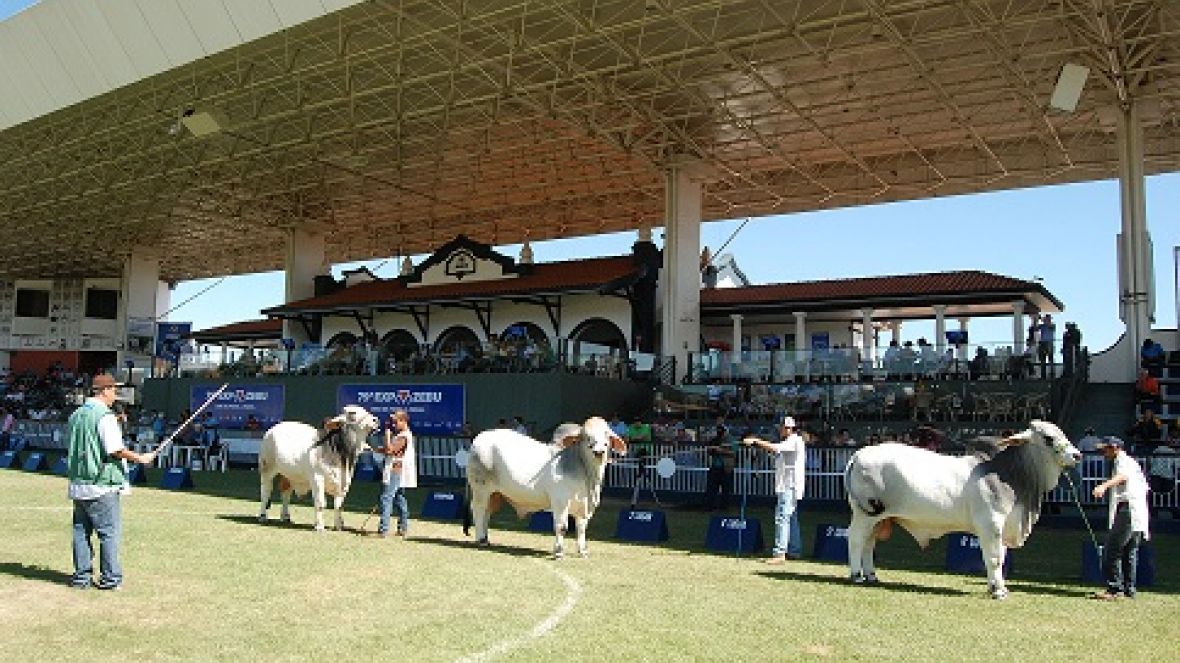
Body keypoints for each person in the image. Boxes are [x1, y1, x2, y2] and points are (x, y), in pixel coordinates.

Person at [66, 373, 157, 590]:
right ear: (104, 390)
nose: (116, 395)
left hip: (79, 481)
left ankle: (81, 578)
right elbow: (115, 449)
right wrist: (140, 458)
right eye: (114, 390)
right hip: (101, 482)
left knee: (80, 532)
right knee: (108, 533)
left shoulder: (77, 414)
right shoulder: (104, 416)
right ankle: (110, 579)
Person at [1090, 437, 1150, 600]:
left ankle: (1115, 588)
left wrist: (1104, 486)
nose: (1103, 453)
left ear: (1115, 448)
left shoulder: (1122, 461)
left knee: (1112, 549)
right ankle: (1129, 589)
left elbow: (1123, 477)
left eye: (1105, 449)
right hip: (1137, 510)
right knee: (1130, 551)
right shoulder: (1132, 462)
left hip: (1128, 508)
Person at [742, 415, 805, 563]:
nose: (783, 430)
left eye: (785, 427)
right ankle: (794, 550)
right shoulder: (791, 441)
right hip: (788, 484)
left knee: (782, 517)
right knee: (791, 518)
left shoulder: (794, 441)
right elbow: (776, 452)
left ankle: (779, 553)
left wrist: (756, 441)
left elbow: (775, 448)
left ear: (790, 429)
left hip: (789, 485)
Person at [377, 410, 417, 538]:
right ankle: (403, 527)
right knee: (399, 499)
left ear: (403, 421)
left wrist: (387, 434)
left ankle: (383, 529)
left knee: (386, 498)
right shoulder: (402, 435)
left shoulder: (403, 436)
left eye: (395, 422)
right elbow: (389, 449)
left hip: (396, 469)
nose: (393, 425)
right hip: (398, 469)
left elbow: (390, 450)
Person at [704, 421, 736, 510]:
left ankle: (724, 507)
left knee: (726, 489)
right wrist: (712, 449)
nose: (720, 432)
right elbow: (709, 450)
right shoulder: (714, 440)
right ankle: (709, 505)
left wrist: (721, 451)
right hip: (715, 466)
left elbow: (734, 452)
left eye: (722, 431)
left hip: (726, 468)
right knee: (711, 488)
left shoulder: (731, 440)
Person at [1035, 314, 1056, 379]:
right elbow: (1036, 329)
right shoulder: (1042, 326)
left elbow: (1050, 326)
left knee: (1050, 359)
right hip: (1043, 343)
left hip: (1049, 343)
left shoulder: (1052, 325)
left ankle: (1052, 374)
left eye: (1048, 319)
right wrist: (1036, 321)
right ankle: (1043, 375)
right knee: (1042, 360)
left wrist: (1042, 319)